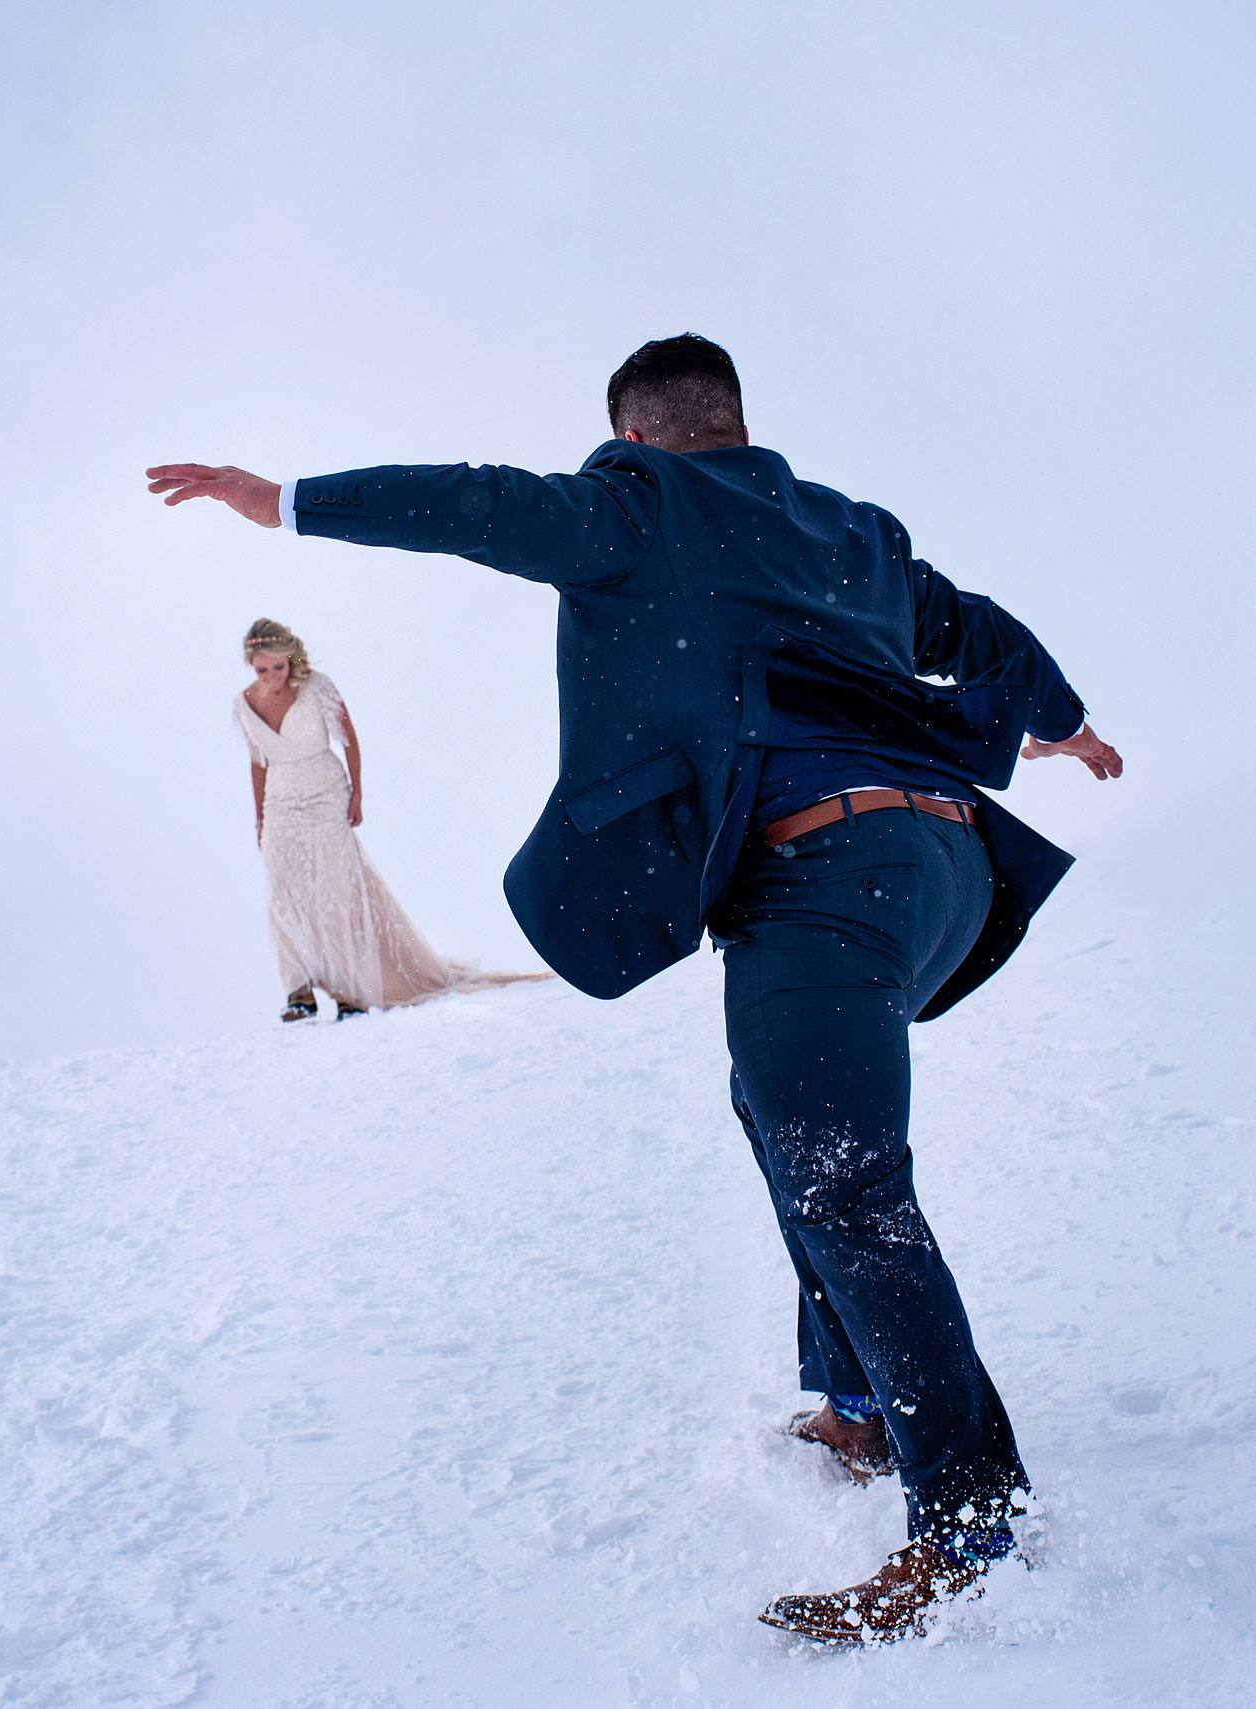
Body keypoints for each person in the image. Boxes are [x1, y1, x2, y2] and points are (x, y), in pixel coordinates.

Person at [148, 334, 1123, 1644]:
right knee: (779, 1113)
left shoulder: (636, 502)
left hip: (817, 869)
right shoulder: (848, 533)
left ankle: (967, 1523)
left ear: (640, 435)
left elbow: (487, 502)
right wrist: (1062, 723)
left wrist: (288, 502)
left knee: (840, 1169)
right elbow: (976, 630)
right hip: (940, 866)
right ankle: (856, 1405)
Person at [234, 617, 549, 1022]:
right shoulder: (244, 703)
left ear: (291, 659)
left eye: (279, 667)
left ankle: (349, 991)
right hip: (280, 805)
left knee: (336, 891)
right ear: (251, 665)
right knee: (284, 893)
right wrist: (259, 818)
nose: (273, 676)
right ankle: (300, 992)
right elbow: (258, 763)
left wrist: (357, 792)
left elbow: (349, 738)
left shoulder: (317, 687)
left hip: (325, 794)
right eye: (263, 670)